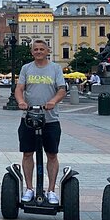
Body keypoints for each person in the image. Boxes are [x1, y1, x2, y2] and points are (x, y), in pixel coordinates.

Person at [15, 39, 67, 204]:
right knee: (27, 153)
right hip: (29, 118)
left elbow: (62, 89)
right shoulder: (26, 68)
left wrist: (53, 101)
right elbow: (19, 88)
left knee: (52, 154)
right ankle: (29, 188)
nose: (38, 52)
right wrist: (20, 101)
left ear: (47, 51)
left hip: (50, 119)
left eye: (41, 49)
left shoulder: (55, 68)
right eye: (35, 49)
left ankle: (51, 190)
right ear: (32, 52)